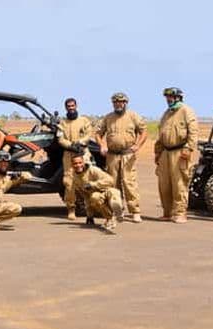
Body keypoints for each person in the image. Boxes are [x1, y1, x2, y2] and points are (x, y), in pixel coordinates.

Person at [96, 92, 147, 223]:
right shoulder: (108, 118)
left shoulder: (133, 116)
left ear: (125, 103)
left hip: (127, 154)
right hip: (112, 155)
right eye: (115, 102)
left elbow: (143, 132)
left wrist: (138, 145)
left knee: (129, 183)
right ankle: (118, 209)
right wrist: (102, 145)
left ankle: (135, 211)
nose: (118, 104)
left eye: (121, 102)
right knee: (113, 183)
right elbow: (98, 133)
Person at [154, 87, 199, 223]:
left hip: (180, 152)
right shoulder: (166, 113)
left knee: (179, 184)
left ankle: (180, 213)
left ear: (178, 97)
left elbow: (193, 132)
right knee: (164, 184)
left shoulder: (186, 111)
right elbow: (161, 135)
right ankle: (167, 212)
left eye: (171, 97)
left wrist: (188, 148)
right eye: (167, 97)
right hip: (165, 153)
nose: (168, 99)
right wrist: (158, 153)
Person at [57, 97, 93, 221]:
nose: (71, 108)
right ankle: (71, 209)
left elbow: (89, 134)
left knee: (86, 180)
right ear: (65, 108)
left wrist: (80, 142)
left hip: (82, 152)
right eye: (68, 106)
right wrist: (70, 145)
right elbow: (60, 139)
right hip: (68, 154)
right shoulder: (62, 123)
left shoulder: (84, 120)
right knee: (69, 182)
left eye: (72, 106)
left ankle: (90, 207)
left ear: (76, 106)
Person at [69, 153, 124, 233]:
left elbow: (110, 180)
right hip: (98, 196)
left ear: (83, 162)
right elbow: (86, 197)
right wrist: (89, 216)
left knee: (113, 194)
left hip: (108, 191)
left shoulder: (93, 170)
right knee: (94, 197)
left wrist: (93, 184)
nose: (78, 165)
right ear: (72, 164)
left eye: (80, 163)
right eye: (75, 163)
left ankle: (118, 211)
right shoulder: (75, 178)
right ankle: (110, 218)